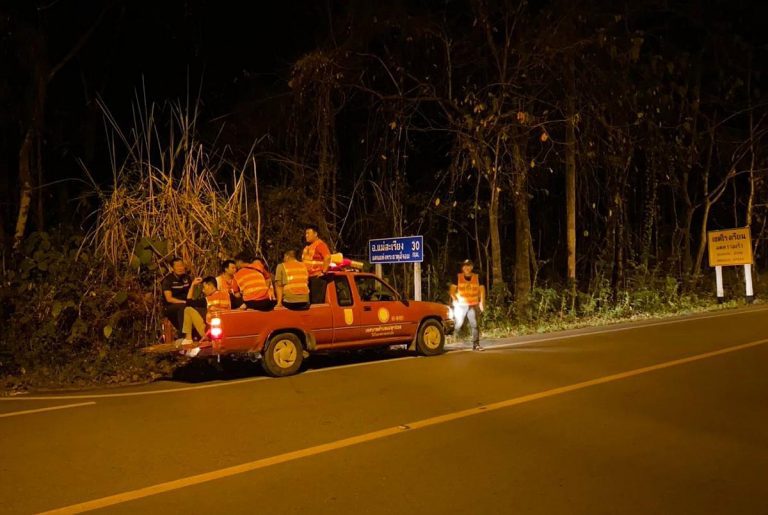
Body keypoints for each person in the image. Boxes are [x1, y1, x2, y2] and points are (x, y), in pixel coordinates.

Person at [178, 276, 231, 349]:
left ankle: (188, 339)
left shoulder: (208, 300)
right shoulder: (227, 295)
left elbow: (189, 302)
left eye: (204, 287)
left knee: (188, 309)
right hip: (226, 332)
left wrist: (193, 284)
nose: (203, 290)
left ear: (210, 286)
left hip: (210, 333)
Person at [449, 259, 486, 351]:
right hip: (461, 305)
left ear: (472, 267)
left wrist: (482, 303)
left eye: (469, 265)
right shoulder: (458, 277)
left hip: (473, 305)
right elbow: (452, 291)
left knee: (474, 324)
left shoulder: (477, 277)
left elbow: (482, 290)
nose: (467, 267)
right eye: (465, 266)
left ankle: (476, 344)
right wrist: (456, 300)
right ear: (462, 267)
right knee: (458, 324)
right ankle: (452, 340)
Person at [161, 257, 192, 336]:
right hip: (170, 306)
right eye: (177, 266)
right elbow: (169, 299)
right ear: (172, 268)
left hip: (185, 303)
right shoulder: (168, 280)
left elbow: (190, 293)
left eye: (181, 265)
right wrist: (184, 302)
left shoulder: (187, 278)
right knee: (182, 307)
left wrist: (191, 302)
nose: (180, 268)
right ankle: (183, 333)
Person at [302, 224, 331, 304]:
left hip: (317, 278)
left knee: (316, 303)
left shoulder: (320, 244)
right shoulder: (308, 246)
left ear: (315, 234)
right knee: (310, 303)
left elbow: (327, 257)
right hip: (309, 278)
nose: (306, 235)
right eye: (306, 233)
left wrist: (323, 272)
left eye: (308, 233)